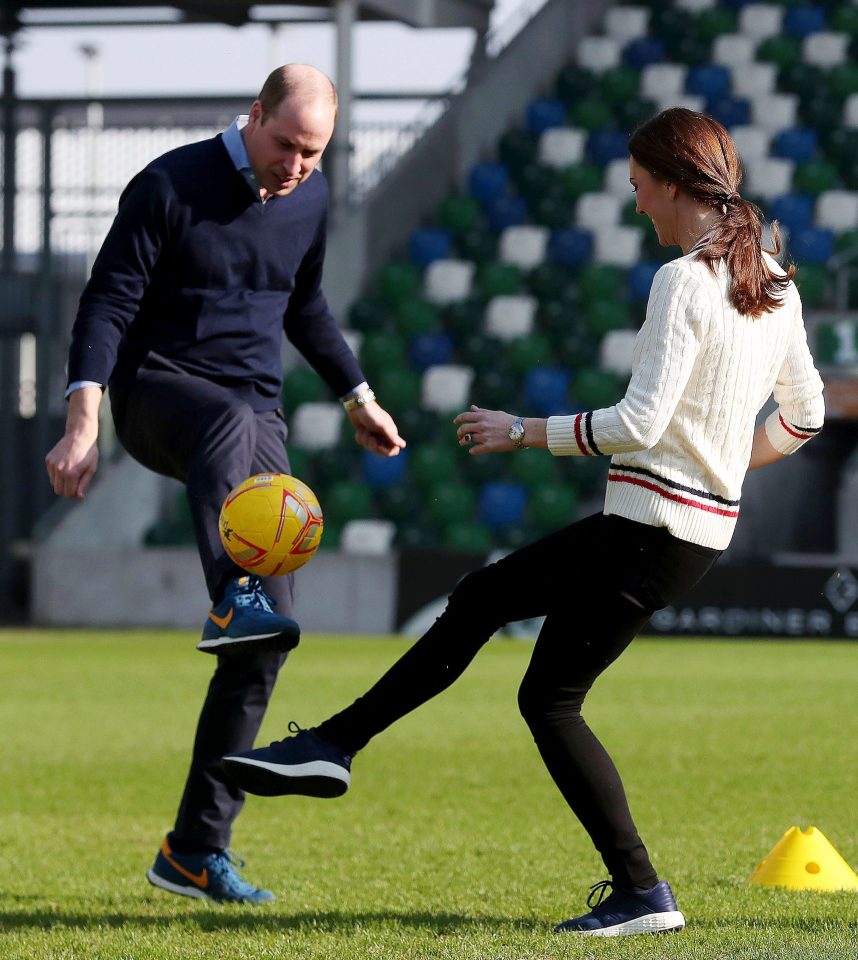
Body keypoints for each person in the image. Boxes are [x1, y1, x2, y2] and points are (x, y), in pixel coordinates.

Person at [220, 107, 825, 934]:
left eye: (641, 186)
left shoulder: (683, 280)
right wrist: (726, 465)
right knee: (534, 676)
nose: (637, 202)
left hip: (649, 527)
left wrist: (523, 432)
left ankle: (340, 745)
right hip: (690, 537)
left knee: (498, 624)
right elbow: (806, 417)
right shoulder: (777, 283)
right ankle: (632, 890)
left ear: (676, 182)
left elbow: (640, 425)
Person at [45, 64, 404, 905]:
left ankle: (194, 850)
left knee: (270, 637)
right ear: (254, 115)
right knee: (230, 432)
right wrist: (82, 423)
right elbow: (105, 304)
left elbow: (303, 305)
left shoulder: (310, 199)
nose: (296, 167)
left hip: (253, 420)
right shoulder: (169, 185)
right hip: (157, 397)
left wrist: (359, 395)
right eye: (286, 145)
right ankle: (228, 595)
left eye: (314, 155)